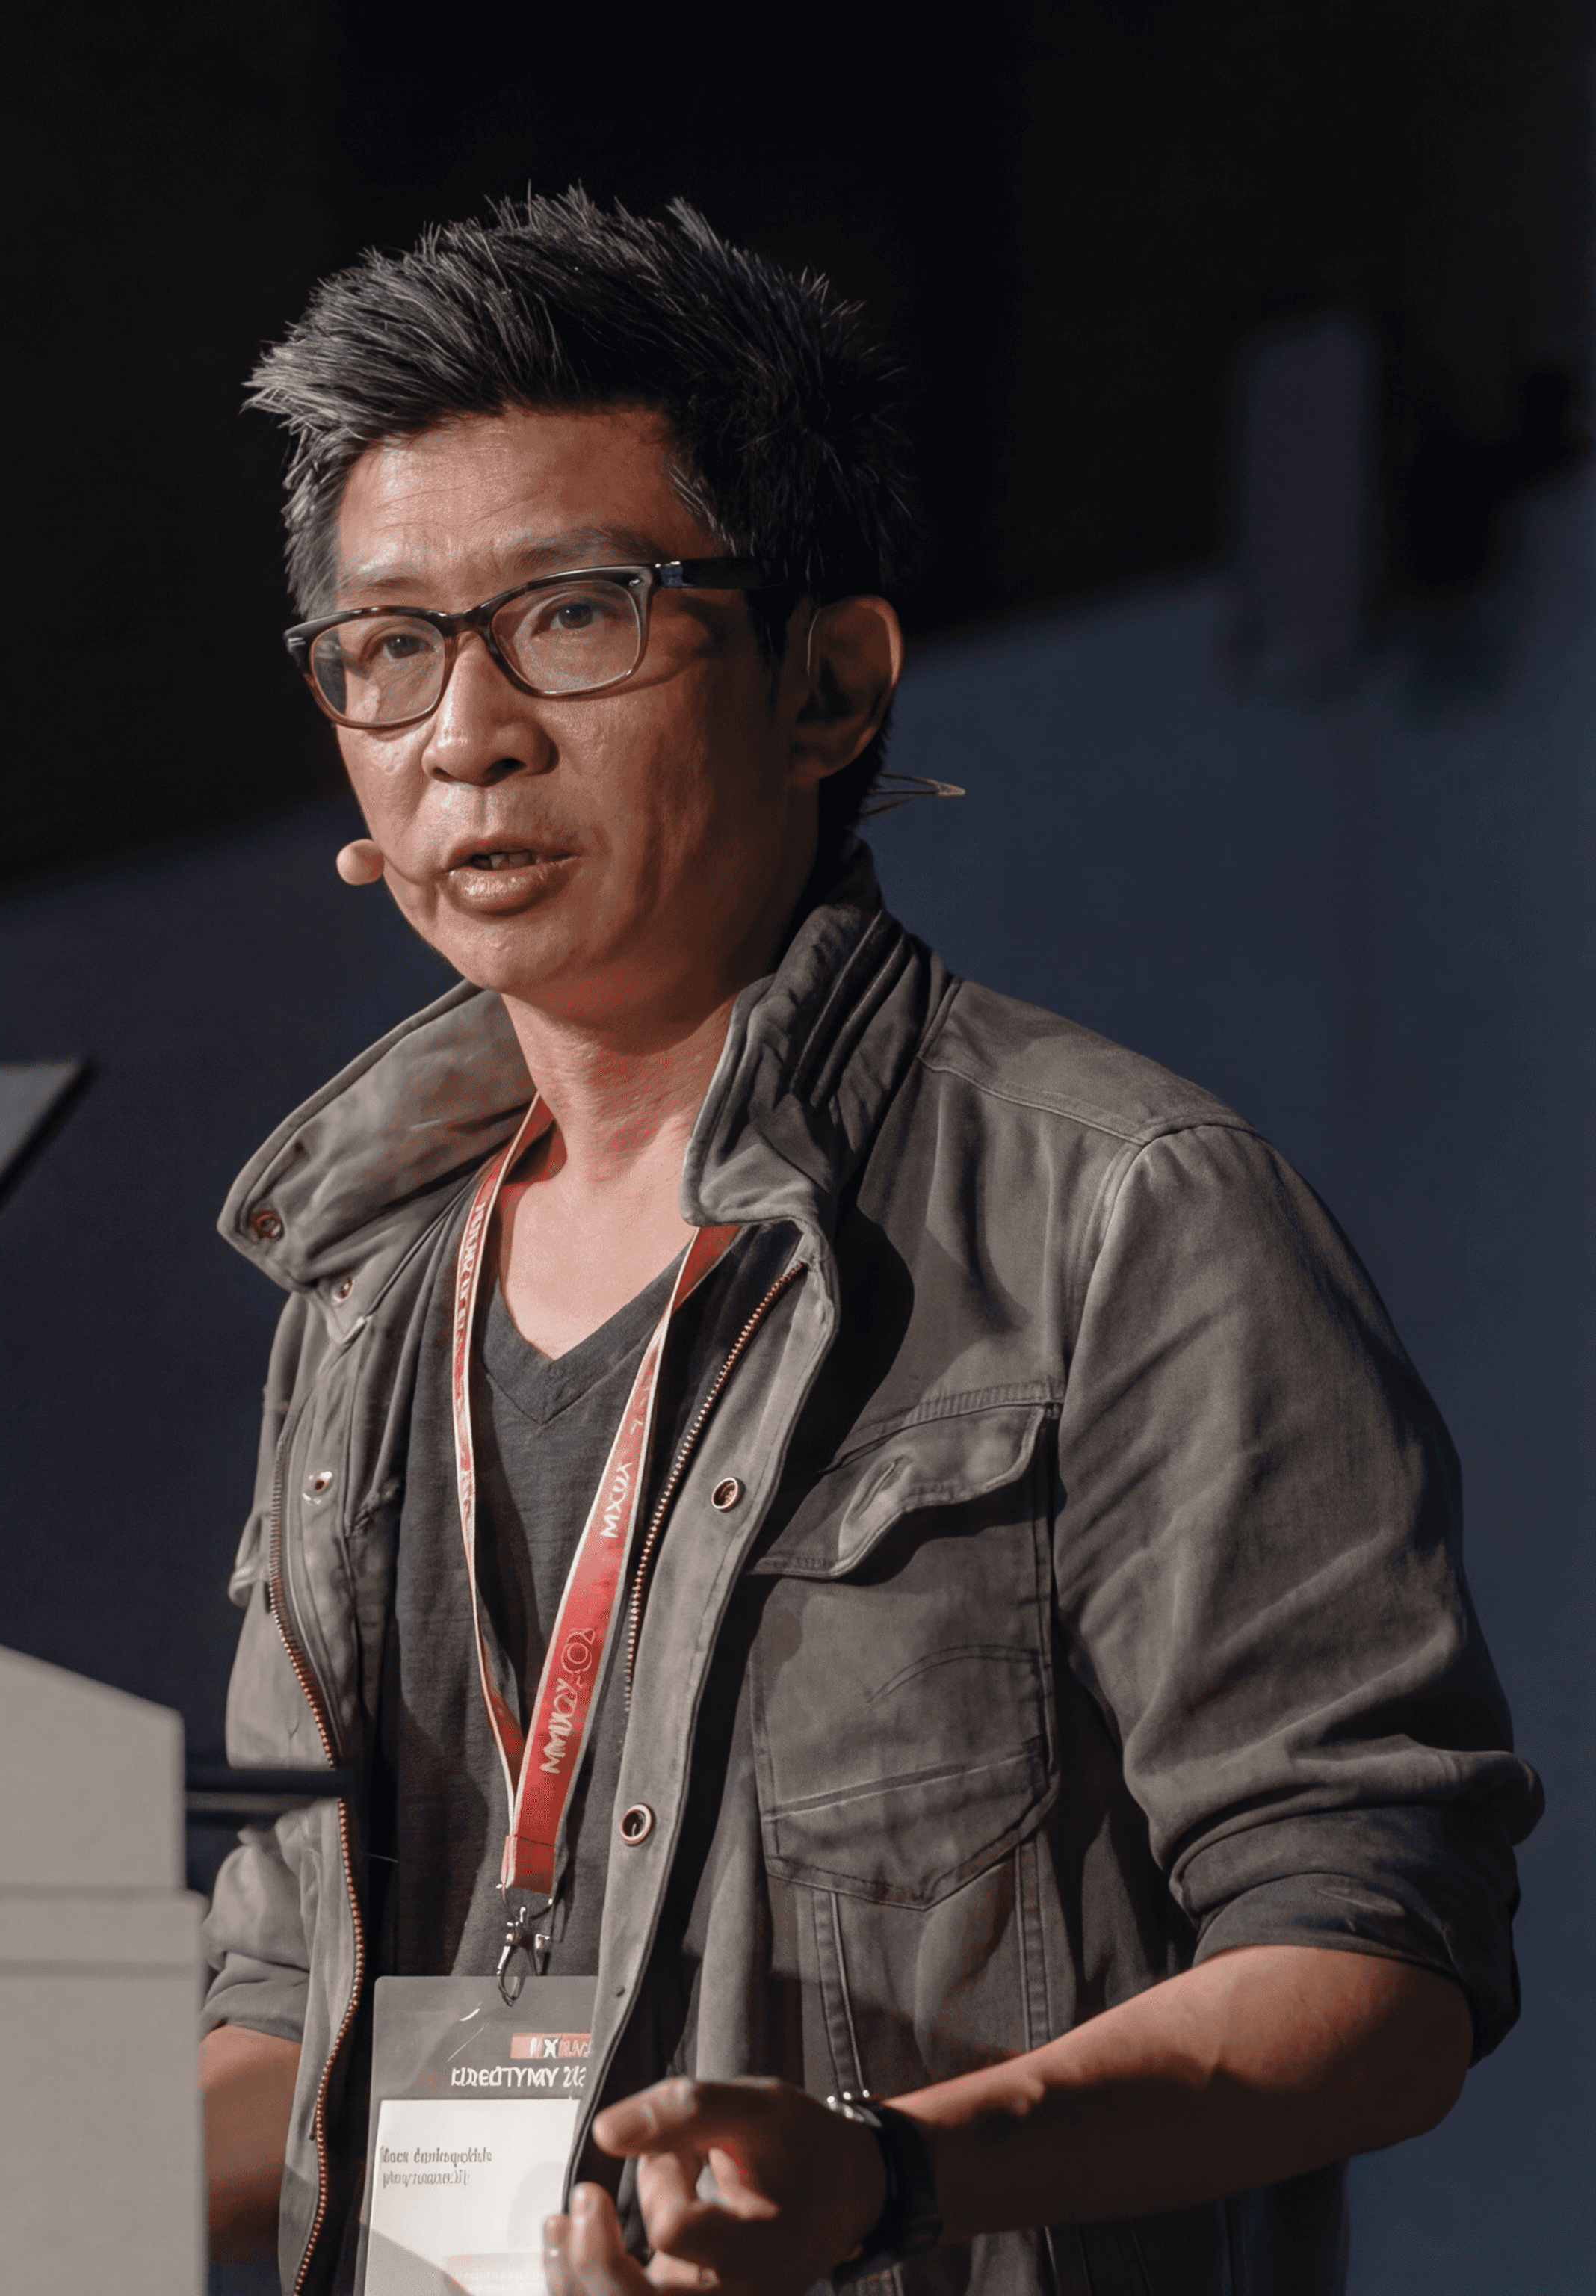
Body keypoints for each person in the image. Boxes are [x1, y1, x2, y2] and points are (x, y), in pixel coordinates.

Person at [194, 194, 1538, 2296]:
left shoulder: (1121, 1211)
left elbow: (1374, 1959)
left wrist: (882, 2166)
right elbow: (282, 2018)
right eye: (389, 648)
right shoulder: (362, 1299)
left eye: (575, 613)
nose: (469, 730)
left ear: (831, 680)